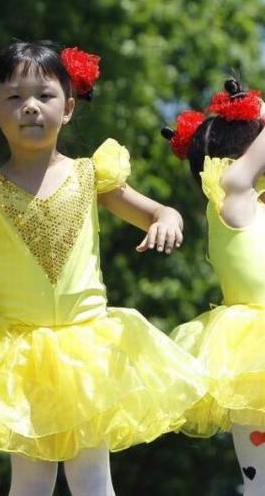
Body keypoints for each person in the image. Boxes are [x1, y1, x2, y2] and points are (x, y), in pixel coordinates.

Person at [0, 42, 205, 495]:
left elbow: (158, 212)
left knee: (92, 478)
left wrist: (168, 220)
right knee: (31, 480)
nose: (31, 107)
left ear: (69, 108)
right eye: (15, 98)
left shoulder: (90, 175)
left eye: (44, 95)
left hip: (87, 349)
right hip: (19, 351)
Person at [163, 78, 265, 495]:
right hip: (251, 352)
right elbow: (240, 175)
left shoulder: (252, 203)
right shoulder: (232, 197)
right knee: (259, 479)